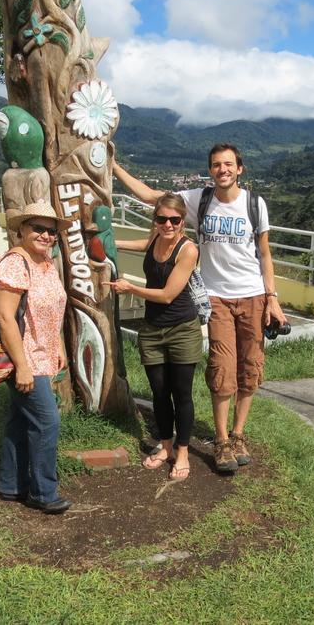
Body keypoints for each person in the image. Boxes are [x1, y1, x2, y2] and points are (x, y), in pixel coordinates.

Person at [113, 144, 287, 473]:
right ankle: (221, 441)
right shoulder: (199, 199)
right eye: (216, 165)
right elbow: (152, 197)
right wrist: (114, 168)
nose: (222, 169)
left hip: (253, 296)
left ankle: (238, 435)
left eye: (228, 164)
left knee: (250, 369)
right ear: (210, 170)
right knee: (222, 368)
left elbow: (264, 254)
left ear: (240, 169)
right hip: (216, 296)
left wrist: (272, 298)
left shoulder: (254, 204)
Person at [104, 193, 201, 481]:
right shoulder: (155, 239)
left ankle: (183, 452)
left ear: (182, 221)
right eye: (162, 219)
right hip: (152, 329)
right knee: (160, 393)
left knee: (181, 393)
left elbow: (169, 295)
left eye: (174, 220)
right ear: (155, 220)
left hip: (182, 328)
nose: (168, 225)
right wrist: (110, 241)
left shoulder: (188, 249)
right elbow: (140, 244)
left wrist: (130, 288)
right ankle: (166, 446)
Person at [0, 200, 73, 513]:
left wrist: (59, 348)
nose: (46, 235)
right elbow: (4, 317)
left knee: (18, 420)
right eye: (38, 228)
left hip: (43, 353)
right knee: (47, 421)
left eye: (51, 231)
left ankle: (11, 484)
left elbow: (52, 311)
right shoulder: (15, 263)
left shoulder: (45, 262)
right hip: (24, 358)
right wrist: (22, 366)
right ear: (22, 229)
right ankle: (43, 492)